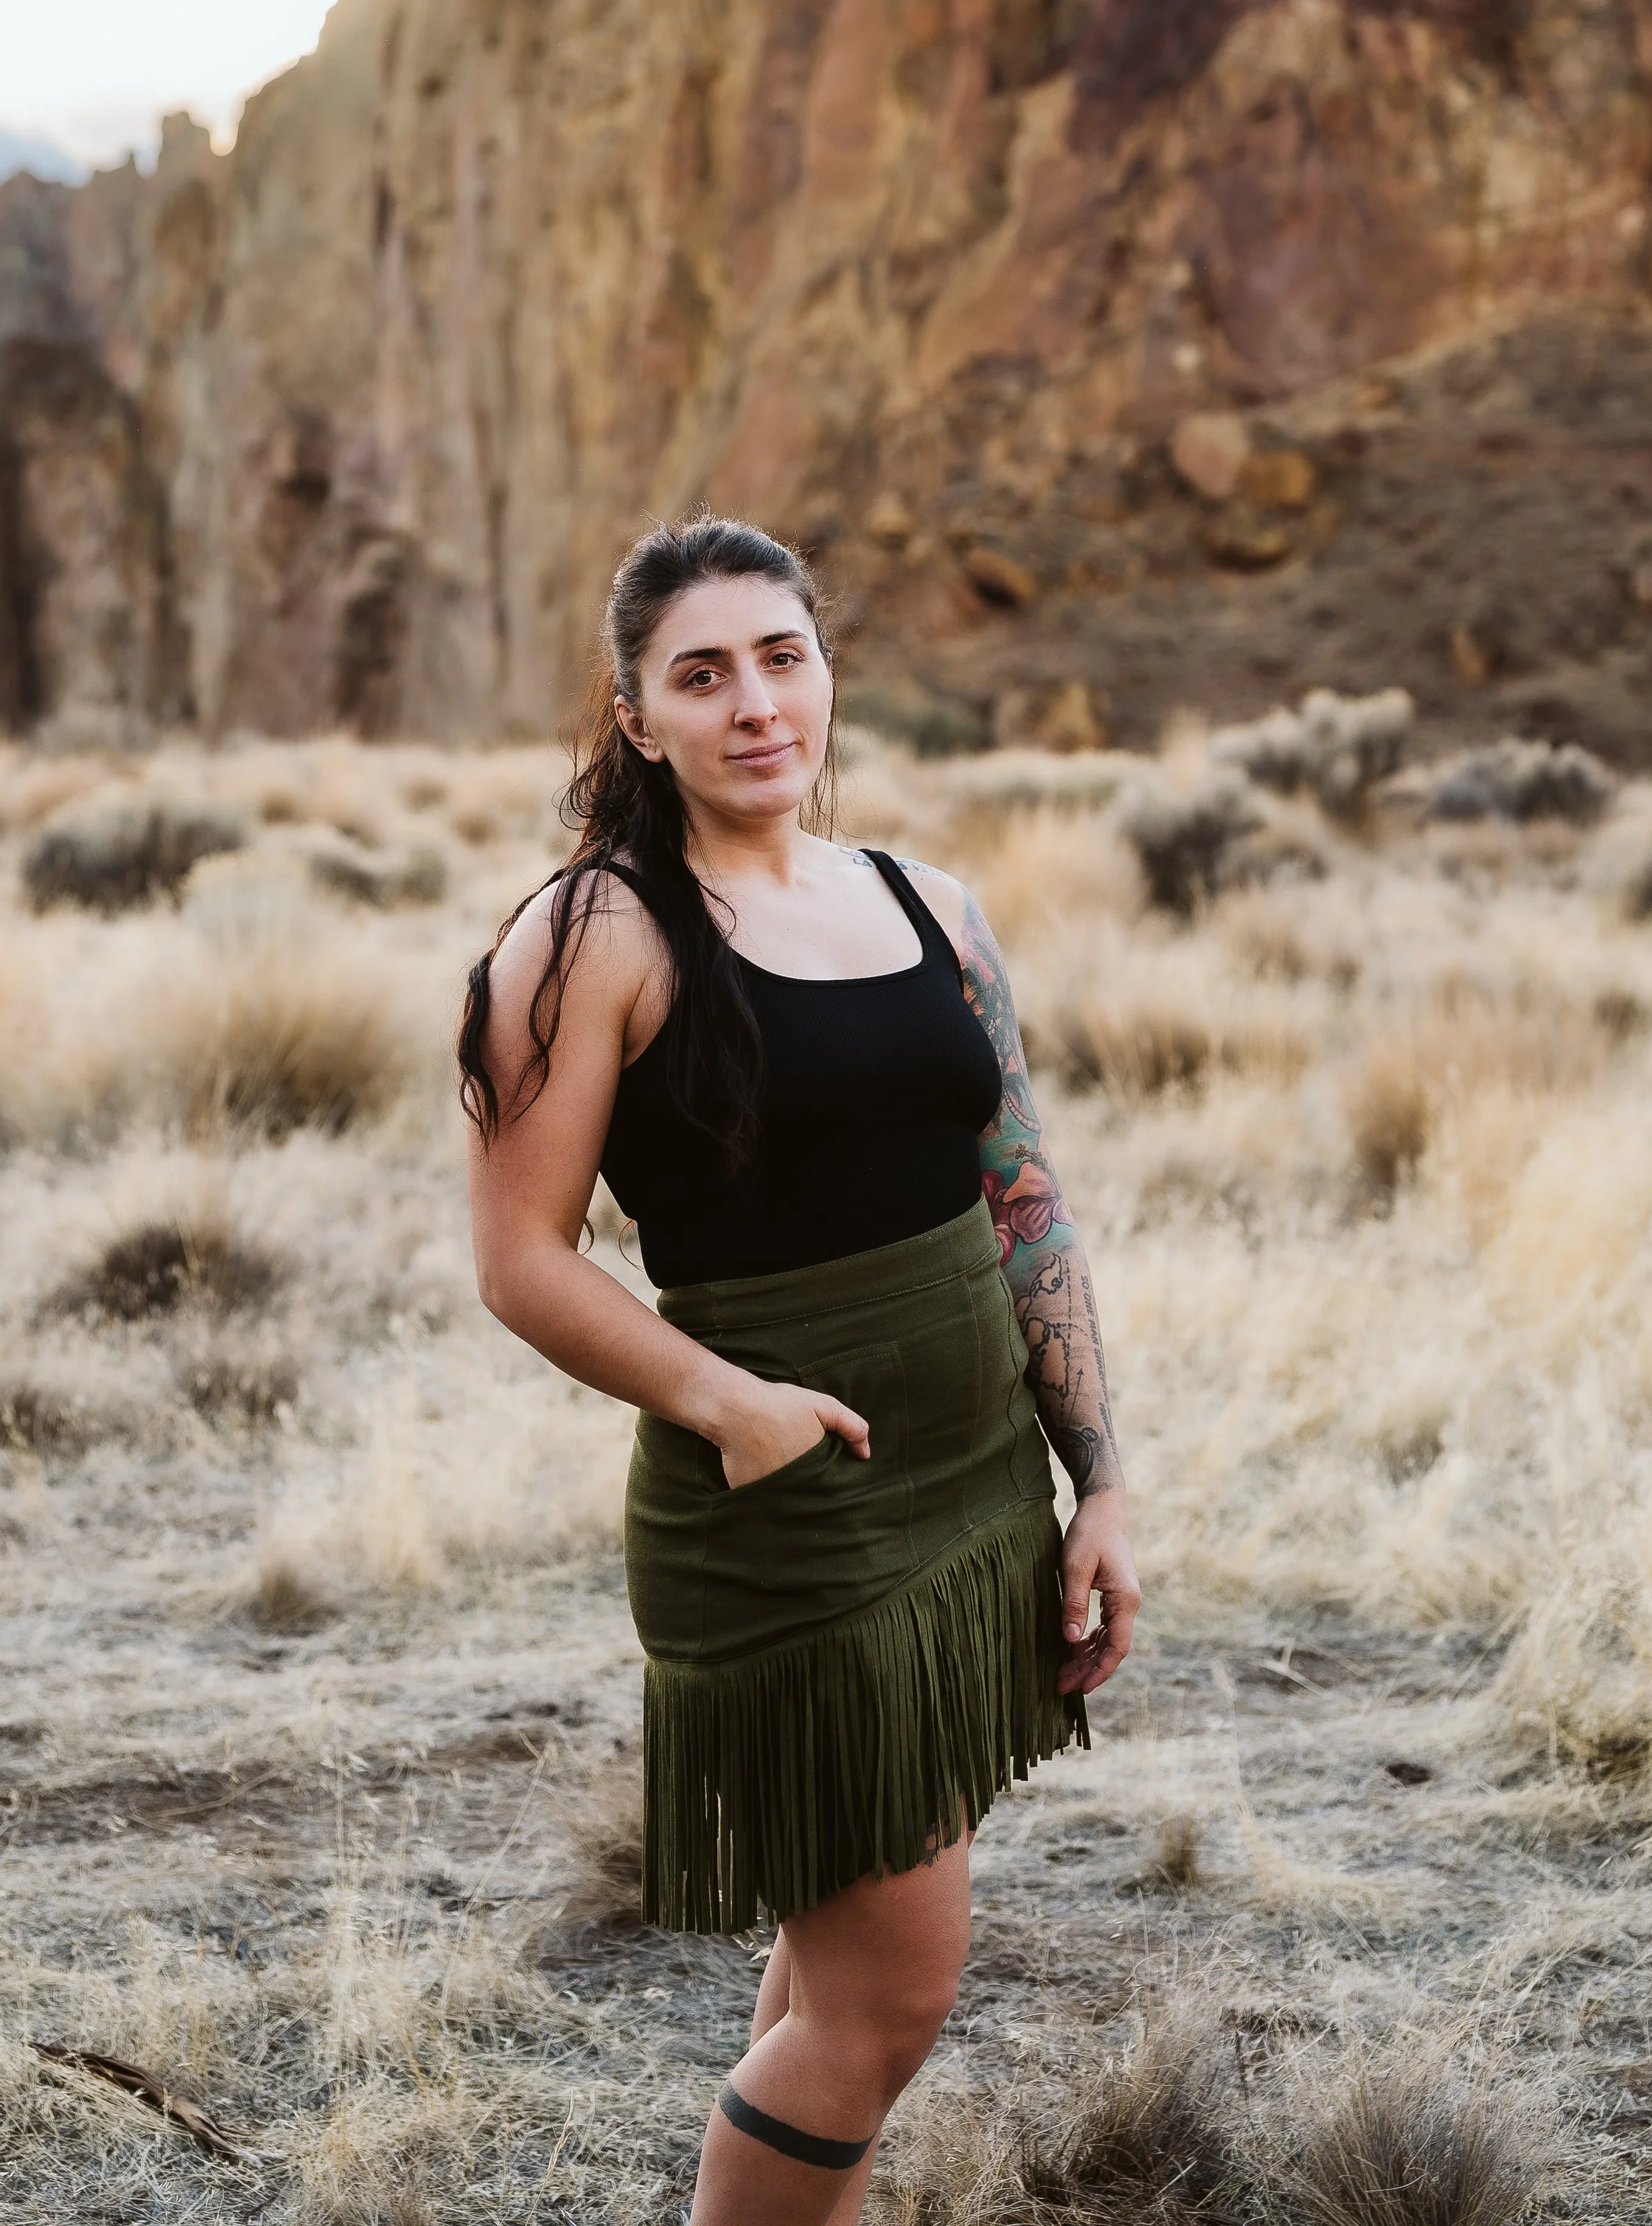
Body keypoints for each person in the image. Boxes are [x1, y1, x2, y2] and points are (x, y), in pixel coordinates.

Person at [460, 515, 1140, 2226]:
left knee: (838, 1972)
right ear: (637, 717)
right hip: (791, 1503)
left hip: (976, 1485)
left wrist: (1098, 1479)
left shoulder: (928, 904)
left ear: (824, 667)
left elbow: (1023, 1196)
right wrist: (726, 1400)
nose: (755, 702)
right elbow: (520, 1257)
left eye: (783, 655)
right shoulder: (593, 935)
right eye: (702, 673)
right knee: (887, 2001)